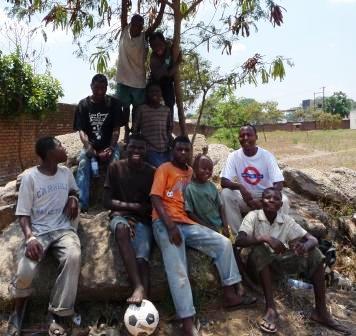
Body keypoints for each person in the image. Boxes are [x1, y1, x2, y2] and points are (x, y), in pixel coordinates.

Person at [151, 136, 255, 336]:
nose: (183, 153)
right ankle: (187, 321)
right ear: (172, 150)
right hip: (165, 224)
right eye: (179, 149)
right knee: (178, 267)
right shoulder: (163, 169)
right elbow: (155, 198)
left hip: (188, 223)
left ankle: (230, 294)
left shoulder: (191, 172)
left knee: (224, 243)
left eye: (186, 150)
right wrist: (170, 225)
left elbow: (203, 193)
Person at [235, 187, 350, 335]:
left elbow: (313, 239)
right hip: (255, 269)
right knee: (260, 249)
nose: (271, 200)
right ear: (261, 201)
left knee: (315, 253)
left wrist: (305, 246)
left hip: (275, 268)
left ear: (280, 205)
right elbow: (239, 240)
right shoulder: (253, 216)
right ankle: (271, 309)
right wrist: (266, 238)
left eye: (276, 199)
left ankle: (321, 311)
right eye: (267, 197)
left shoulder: (286, 220)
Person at [6, 136, 81, 336]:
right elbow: (23, 214)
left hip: (64, 229)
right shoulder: (31, 177)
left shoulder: (66, 173)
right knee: (26, 269)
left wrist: (73, 197)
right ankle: (18, 310)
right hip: (38, 231)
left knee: (73, 256)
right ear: (49, 153)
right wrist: (30, 238)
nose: (65, 148)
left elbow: (74, 190)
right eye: (60, 146)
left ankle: (57, 314)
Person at [103, 134, 155, 303]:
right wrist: (132, 208)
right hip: (120, 217)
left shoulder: (152, 172)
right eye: (133, 147)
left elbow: (150, 206)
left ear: (146, 151)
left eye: (141, 148)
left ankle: (145, 299)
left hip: (142, 219)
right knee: (121, 229)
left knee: (142, 253)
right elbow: (107, 201)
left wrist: (127, 209)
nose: (136, 151)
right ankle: (138, 287)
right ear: (126, 148)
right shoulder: (115, 168)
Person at [220, 124, 289, 236]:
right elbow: (224, 181)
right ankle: (240, 236)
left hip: (266, 194)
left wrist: (264, 200)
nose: (246, 138)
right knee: (226, 194)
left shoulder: (266, 156)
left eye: (249, 135)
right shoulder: (234, 156)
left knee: (284, 200)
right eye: (242, 136)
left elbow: (279, 183)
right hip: (246, 196)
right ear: (239, 139)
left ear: (256, 137)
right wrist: (240, 187)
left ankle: (277, 235)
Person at [74, 73, 125, 211]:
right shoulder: (83, 105)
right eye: (96, 88)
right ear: (91, 86)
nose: (100, 91)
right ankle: (81, 204)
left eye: (103, 88)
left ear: (107, 88)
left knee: (115, 165)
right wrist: (89, 147)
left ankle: (113, 203)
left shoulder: (114, 104)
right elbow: (81, 131)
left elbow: (116, 129)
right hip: (91, 146)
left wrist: (111, 147)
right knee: (83, 164)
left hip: (110, 146)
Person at [116, 9, 165, 141]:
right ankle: (126, 130)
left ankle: (135, 131)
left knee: (137, 109)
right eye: (135, 24)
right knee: (124, 108)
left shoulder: (144, 36)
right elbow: (123, 13)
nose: (137, 27)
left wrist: (163, 6)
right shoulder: (124, 31)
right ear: (131, 24)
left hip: (138, 81)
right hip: (123, 78)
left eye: (140, 25)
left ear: (142, 26)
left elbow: (156, 23)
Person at [184, 154, 230, 237]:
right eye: (204, 168)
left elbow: (221, 207)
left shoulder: (212, 186)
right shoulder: (189, 189)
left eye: (210, 169)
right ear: (194, 169)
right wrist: (206, 226)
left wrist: (225, 225)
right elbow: (190, 213)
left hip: (219, 224)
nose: (207, 171)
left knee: (230, 241)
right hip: (204, 228)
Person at [133, 83, 173, 167]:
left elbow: (169, 129)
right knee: (162, 168)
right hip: (150, 150)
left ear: (161, 93)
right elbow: (135, 130)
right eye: (151, 91)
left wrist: (171, 144)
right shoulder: (142, 109)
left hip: (165, 150)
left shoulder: (166, 110)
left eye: (157, 91)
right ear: (147, 94)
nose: (154, 93)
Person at [149, 31, 182, 122]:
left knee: (170, 102)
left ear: (163, 42)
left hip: (168, 81)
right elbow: (167, 74)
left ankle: (169, 127)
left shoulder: (169, 47)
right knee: (151, 102)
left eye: (159, 44)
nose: (157, 48)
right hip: (157, 81)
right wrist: (177, 64)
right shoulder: (153, 59)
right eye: (153, 46)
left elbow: (176, 48)